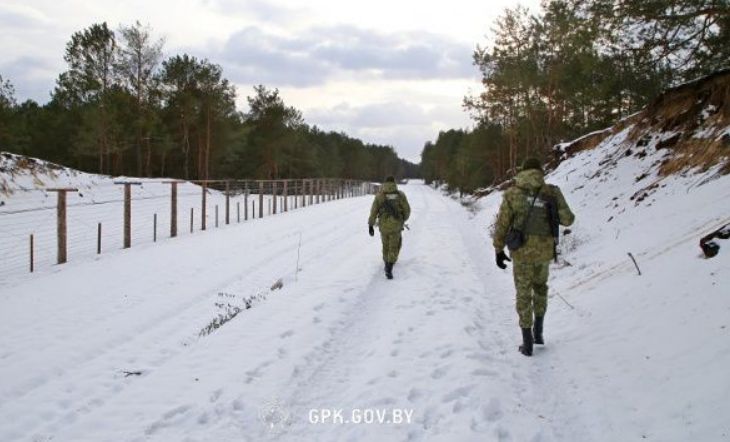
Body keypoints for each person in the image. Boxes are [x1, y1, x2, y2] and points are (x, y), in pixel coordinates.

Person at [492, 158, 575, 357]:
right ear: (540, 172)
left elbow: (502, 224)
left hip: (521, 254)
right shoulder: (552, 192)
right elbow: (568, 219)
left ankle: (527, 342)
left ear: (523, 171)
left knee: (523, 294)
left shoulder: (512, 193)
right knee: (540, 289)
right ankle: (538, 334)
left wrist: (498, 249)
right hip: (544, 253)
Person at [368, 176, 411, 279]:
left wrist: (370, 225)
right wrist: (403, 219)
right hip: (396, 226)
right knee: (394, 246)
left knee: (385, 245)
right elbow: (407, 210)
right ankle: (389, 266)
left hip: (383, 226)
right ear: (394, 183)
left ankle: (386, 261)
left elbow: (373, 212)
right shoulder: (400, 195)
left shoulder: (379, 196)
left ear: (385, 184)